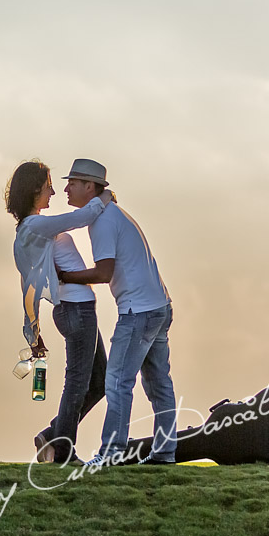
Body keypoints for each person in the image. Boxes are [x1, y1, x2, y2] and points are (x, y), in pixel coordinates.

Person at [56, 158, 177, 466]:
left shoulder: (103, 222)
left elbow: (104, 272)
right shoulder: (113, 214)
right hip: (158, 306)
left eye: (72, 182)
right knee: (159, 384)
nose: (66, 188)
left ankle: (109, 455)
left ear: (89, 187)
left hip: (138, 312)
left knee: (117, 382)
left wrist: (67, 277)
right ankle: (164, 453)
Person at [5, 160, 113, 465]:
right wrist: (106, 196)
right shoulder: (36, 226)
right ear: (35, 189)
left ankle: (52, 434)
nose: (54, 191)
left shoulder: (27, 234)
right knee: (77, 384)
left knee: (99, 382)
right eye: (49, 185)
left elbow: (28, 287)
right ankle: (63, 452)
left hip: (76, 310)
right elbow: (83, 216)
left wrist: (34, 333)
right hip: (76, 310)